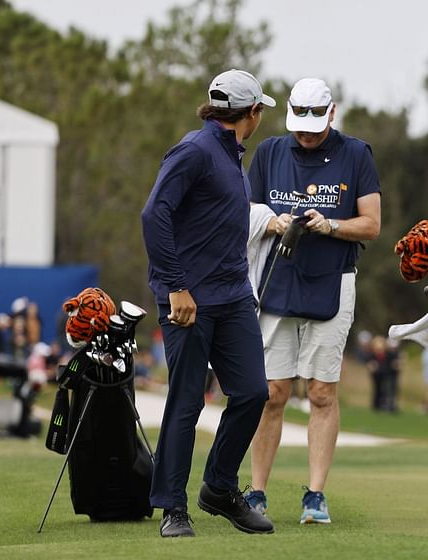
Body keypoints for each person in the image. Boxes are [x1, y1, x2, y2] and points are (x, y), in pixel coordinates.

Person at [140, 69, 276, 538]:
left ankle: (218, 487)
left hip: (234, 296)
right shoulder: (195, 151)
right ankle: (172, 508)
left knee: (254, 392)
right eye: (262, 110)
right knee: (186, 402)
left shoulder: (229, 155)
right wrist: (176, 286)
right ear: (251, 113)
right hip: (189, 301)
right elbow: (153, 213)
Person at [245, 78, 381, 524]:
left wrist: (330, 226)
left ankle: (315, 495)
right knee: (271, 394)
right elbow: (245, 215)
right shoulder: (269, 152)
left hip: (332, 282)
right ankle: (256, 492)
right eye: (299, 124)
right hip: (276, 281)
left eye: (314, 124)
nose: (305, 133)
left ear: (332, 112)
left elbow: (371, 225)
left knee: (321, 392)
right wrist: (273, 222)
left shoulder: (356, 154)